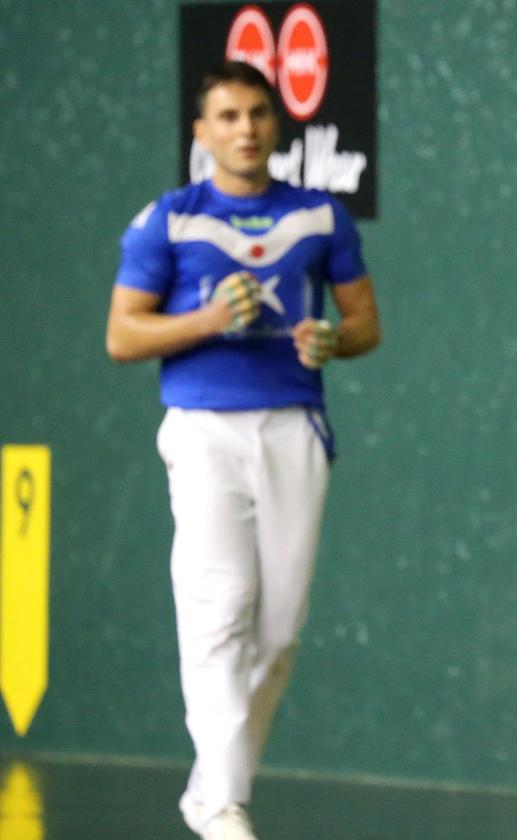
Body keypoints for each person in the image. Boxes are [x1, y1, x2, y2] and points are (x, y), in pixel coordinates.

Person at [105, 61, 381, 840]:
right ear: (202, 132)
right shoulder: (170, 219)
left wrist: (333, 338)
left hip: (293, 425)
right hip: (202, 430)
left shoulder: (322, 219)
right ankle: (225, 805)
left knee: (279, 629)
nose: (246, 129)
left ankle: (210, 790)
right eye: (227, 116)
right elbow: (122, 334)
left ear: (277, 124)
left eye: (258, 113)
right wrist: (202, 321)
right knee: (219, 608)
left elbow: (365, 324)